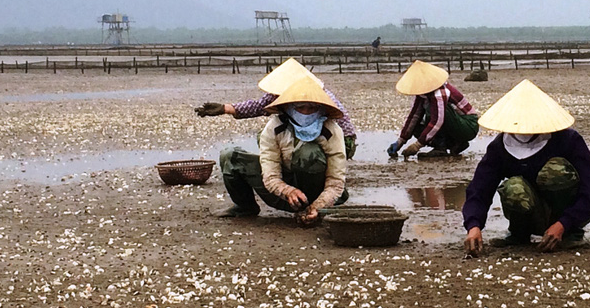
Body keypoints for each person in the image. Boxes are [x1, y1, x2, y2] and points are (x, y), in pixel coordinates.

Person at [463, 79, 590, 256]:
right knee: (514, 186)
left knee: (554, 171)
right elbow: (479, 190)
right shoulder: (500, 147)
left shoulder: (567, 140)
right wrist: (473, 225)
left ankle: (570, 233)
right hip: (531, 211)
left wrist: (565, 223)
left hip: (567, 215)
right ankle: (519, 232)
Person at [216, 76, 347, 225]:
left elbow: (336, 181)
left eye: (311, 108)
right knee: (230, 157)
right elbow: (270, 175)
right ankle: (245, 207)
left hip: (318, 192)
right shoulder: (274, 127)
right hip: (284, 193)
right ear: (288, 107)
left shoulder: (331, 130)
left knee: (307, 152)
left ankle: (310, 209)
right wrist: (287, 191)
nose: (305, 112)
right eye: (300, 107)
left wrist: (319, 206)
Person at [194, 57, 358, 159]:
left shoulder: (314, 94)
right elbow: (258, 106)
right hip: (330, 140)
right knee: (270, 135)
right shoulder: (287, 93)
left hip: (341, 142)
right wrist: (225, 108)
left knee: (279, 138)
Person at [387, 60, 479, 159]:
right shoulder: (422, 95)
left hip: (468, 125)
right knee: (417, 126)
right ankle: (455, 144)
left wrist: (417, 145)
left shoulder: (440, 92)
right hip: (454, 124)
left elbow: (438, 121)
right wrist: (401, 141)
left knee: (435, 111)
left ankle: (440, 147)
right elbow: (414, 116)